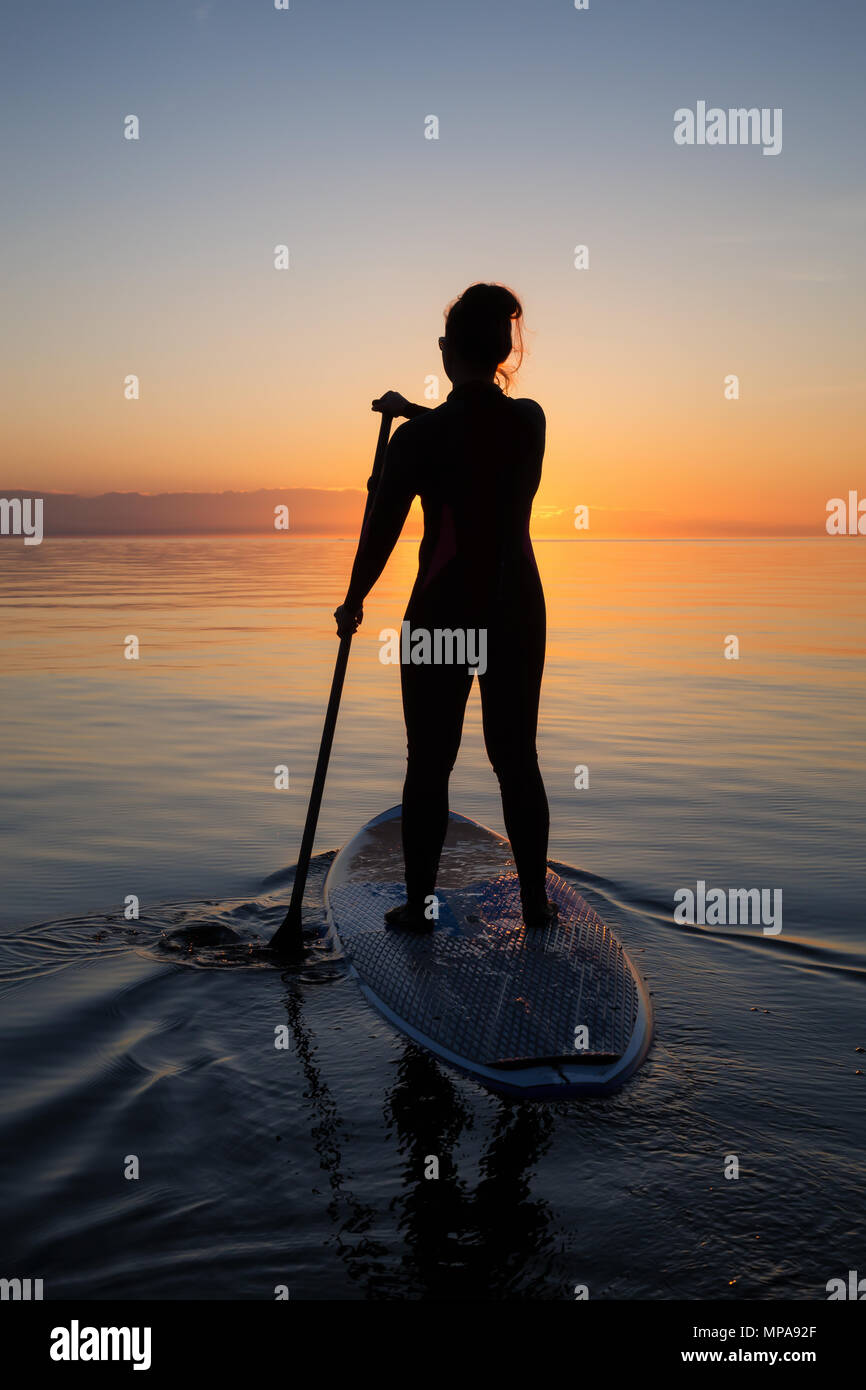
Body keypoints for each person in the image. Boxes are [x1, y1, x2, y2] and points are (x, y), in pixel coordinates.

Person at [335, 283, 555, 930]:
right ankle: (536, 908)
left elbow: (380, 532)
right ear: (503, 352)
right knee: (517, 758)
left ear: (447, 349)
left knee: (429, 761)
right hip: (517, 610)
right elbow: (478, 427)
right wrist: (417, 414)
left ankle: (419, 907)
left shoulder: (417, 443)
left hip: (444, 616)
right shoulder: (530, 421)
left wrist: (354, 600)